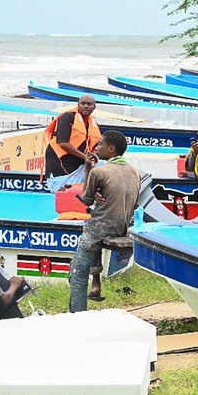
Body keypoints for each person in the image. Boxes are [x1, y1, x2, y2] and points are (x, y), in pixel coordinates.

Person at [68, 131, 141, 313]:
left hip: (100, 228)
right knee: (93, 245)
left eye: (100, 144)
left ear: (111, 148)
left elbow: (86, 200)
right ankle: (96, 284)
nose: (96, 148)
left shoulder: (99, 172)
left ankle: (77, 315)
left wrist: (88, 167)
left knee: (77, 273)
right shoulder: (135, 172)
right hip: (122, 227)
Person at [43, 94, 101, 179]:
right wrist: (85, 157)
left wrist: (93, 156)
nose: (86, 106)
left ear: (94, 107)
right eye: (83, 103)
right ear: (78, 105)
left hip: (77, 162)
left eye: (89, 104)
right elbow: (63, 143)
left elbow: (96, 147)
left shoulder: (93, 123)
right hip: (60, 162)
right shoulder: (67, 117)